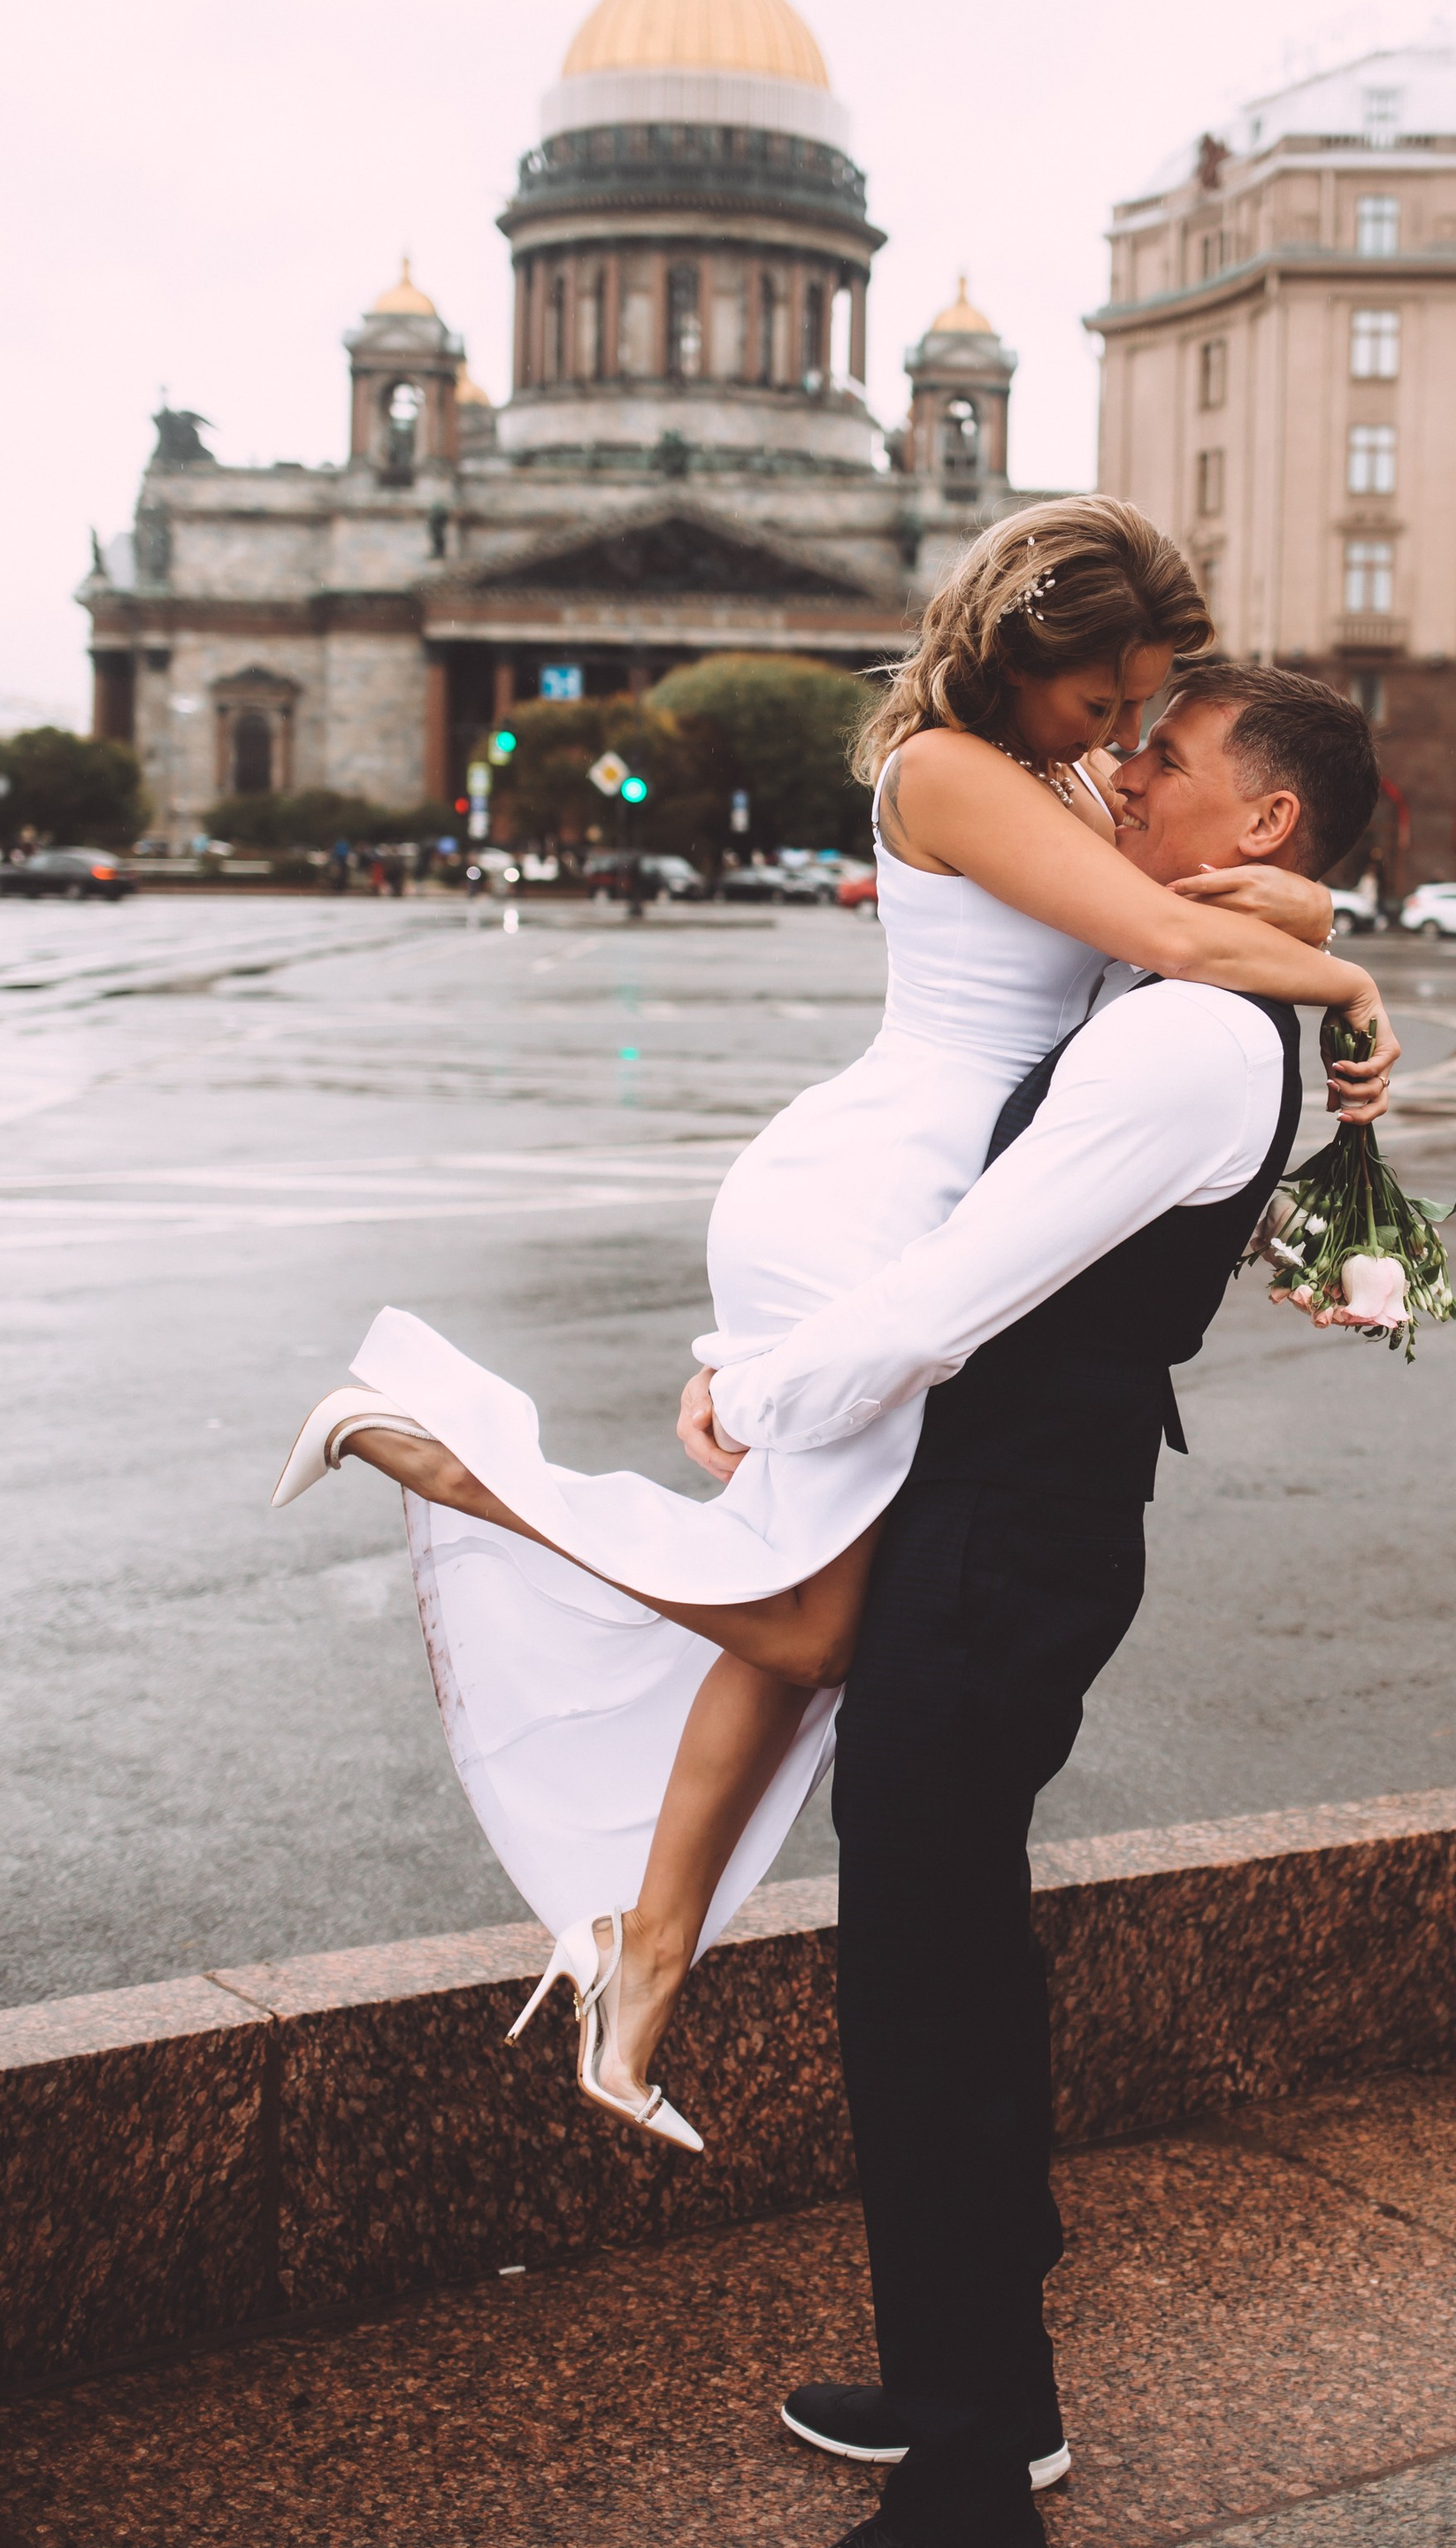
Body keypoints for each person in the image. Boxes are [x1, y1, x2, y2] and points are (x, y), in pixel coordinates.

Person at [270, 505, 1394, 2151]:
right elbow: (1174, 933)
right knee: (808, 1628)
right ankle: (453, 1466)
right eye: (1108, 705)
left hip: (938, 1201)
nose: (1124, 746)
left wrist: (1325, 943)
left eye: (1149, 720)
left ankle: (639, 1965)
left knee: (801, 1613)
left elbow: (1248, 900)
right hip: (874, 1202)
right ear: (1028, 655)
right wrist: (1357, 987)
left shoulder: (1065, 783)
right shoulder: (947, 770)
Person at [699, 659, 1383, 2548]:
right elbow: (1292, 934)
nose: (1116, 773)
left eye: (1160, 762)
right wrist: (1342, 978)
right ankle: (981, 2388)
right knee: (953, 1956)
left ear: (1254, 821)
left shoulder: (1180, 1041)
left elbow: (958, 1290)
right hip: (1019, 1522)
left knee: (921, 1989)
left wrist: (756, 1386)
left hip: (1005, 1533)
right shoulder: (1197, 986)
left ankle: (971, 2516)